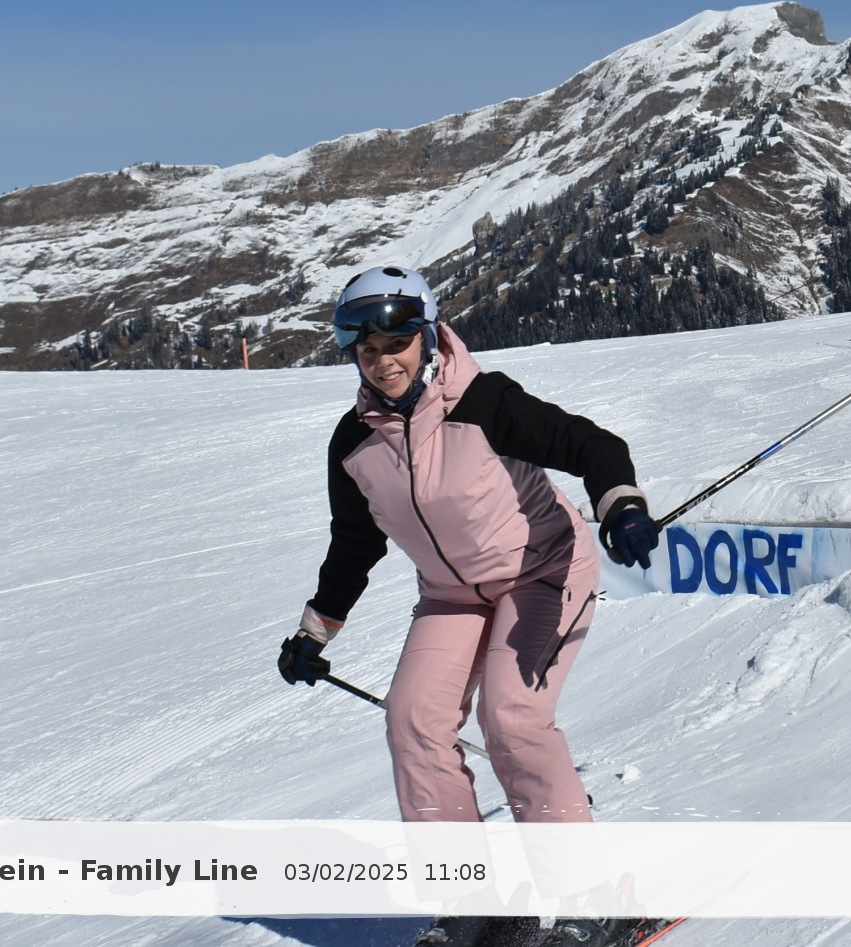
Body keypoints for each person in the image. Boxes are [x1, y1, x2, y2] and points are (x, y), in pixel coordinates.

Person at [277, 266, 661, 947]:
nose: (384, 362)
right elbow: (355, 544)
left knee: (511, 717)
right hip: (451, 596)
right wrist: (314, 631)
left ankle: (592, 901)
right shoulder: (355, 443)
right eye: (368, 350)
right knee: (412, 719)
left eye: (397, 344)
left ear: (427, 338)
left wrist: (621, 505)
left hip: (543, 569)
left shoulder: (483, 403)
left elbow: (591, 445)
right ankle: (470, 905)